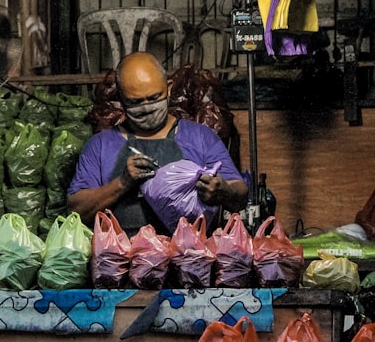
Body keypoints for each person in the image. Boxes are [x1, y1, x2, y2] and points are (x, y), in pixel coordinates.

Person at [67, 51, 247, 236]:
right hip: (123, 260)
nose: (146, 107)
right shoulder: (100, 145)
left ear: (169, 88)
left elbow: (240, 195)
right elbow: (76, 211)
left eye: (154, 98)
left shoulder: (201, 137)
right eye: (135, 102)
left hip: (188, 259)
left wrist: (222, 191)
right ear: (120, 99)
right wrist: (122, 184)